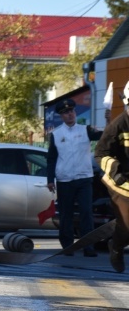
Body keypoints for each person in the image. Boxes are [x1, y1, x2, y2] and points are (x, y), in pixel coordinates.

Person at [46, 98, 104, 257]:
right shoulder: (57, 134)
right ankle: (67, 246)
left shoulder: (85, 129)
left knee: (86, 212)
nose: (70, 114)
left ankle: (88, 246)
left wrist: (109, 122)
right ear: (61, 116)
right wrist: (50, 179)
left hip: (84, 178)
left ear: (74, 112)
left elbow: (102, 135)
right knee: (66, 214)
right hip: (65, 180)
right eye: (66, 113)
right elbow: (51, 159)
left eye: (71, 111)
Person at [94, 86, 129, 273]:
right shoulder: (118, 125)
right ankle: (115, 247)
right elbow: (100, 153)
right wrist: (116, 170)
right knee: (127, 226)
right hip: (121, 184)